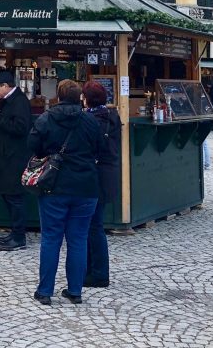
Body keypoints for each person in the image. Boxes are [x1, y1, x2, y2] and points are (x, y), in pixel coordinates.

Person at [27, 79, 101, 305]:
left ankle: (45, 291)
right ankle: (75, 290)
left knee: (51, 238)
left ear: (58, 96)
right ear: (80, 97)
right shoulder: (90, 120)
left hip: (54, 185)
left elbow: (32, 145)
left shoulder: (46, 118)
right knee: (78, 240)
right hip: (86, 186)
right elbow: (100, 148)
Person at [0, 70, 32, 251]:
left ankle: (19, 237)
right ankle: (15, 232)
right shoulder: (10, 101)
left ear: (5, 86)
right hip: (7, 156)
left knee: (15, 197)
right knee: (9, 195)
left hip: (15, 156)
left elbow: (21, 127)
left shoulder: (19, 102)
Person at [82, 79, 120, 289]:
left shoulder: (89, 120)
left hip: (94, 176)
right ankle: (95, 270)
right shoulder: (112, 116)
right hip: (109, 176)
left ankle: (97, 273)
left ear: (87, 99)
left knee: (93, 226)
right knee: (95, 225)